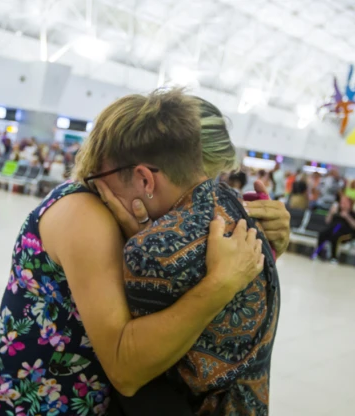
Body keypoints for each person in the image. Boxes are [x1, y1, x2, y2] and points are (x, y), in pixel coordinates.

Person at [0, 90, 291, 416]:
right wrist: (222, 283)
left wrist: (266, 247)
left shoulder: (142, 224)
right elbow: (125, 368)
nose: (199, 207)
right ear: (149, 176)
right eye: (197, 186)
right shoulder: (85, 214)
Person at [89, 91, 279, 415]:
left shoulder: (154, 251)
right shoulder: (235, 211)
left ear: (145, 178)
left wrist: (143, 243)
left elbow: (128, 373)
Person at [314, 195, 355, 263]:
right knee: (322, 234)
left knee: (335, 236)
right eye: (342, 203)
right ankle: (318, 253)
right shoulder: (336, 212)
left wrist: (347, 217)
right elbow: (327, 221)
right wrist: (331, 213)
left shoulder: (352, 213)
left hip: (345, 233)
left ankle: (334, 257)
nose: (343, 204)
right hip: (333, 229)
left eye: (345, 203)